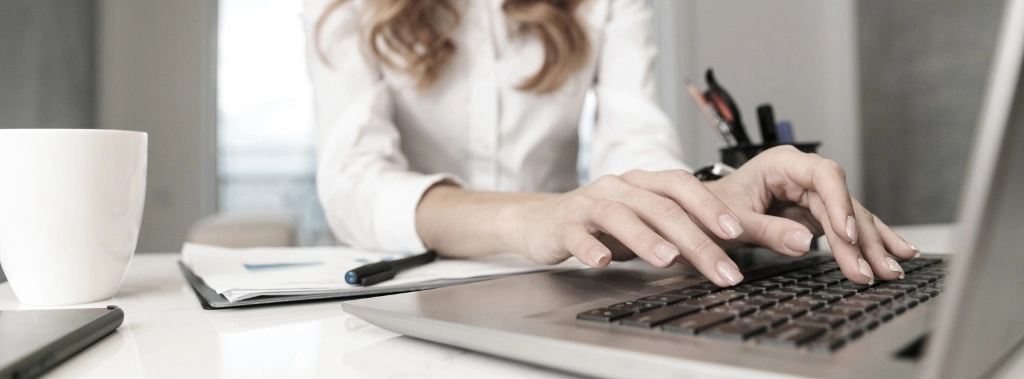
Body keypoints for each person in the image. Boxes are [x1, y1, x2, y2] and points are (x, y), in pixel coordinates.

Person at [304, 0, 919, 287]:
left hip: (559, 281)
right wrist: (539, 214)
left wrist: (710, 201)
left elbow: (637, 140)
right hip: (403, 290)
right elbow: (353, 180)